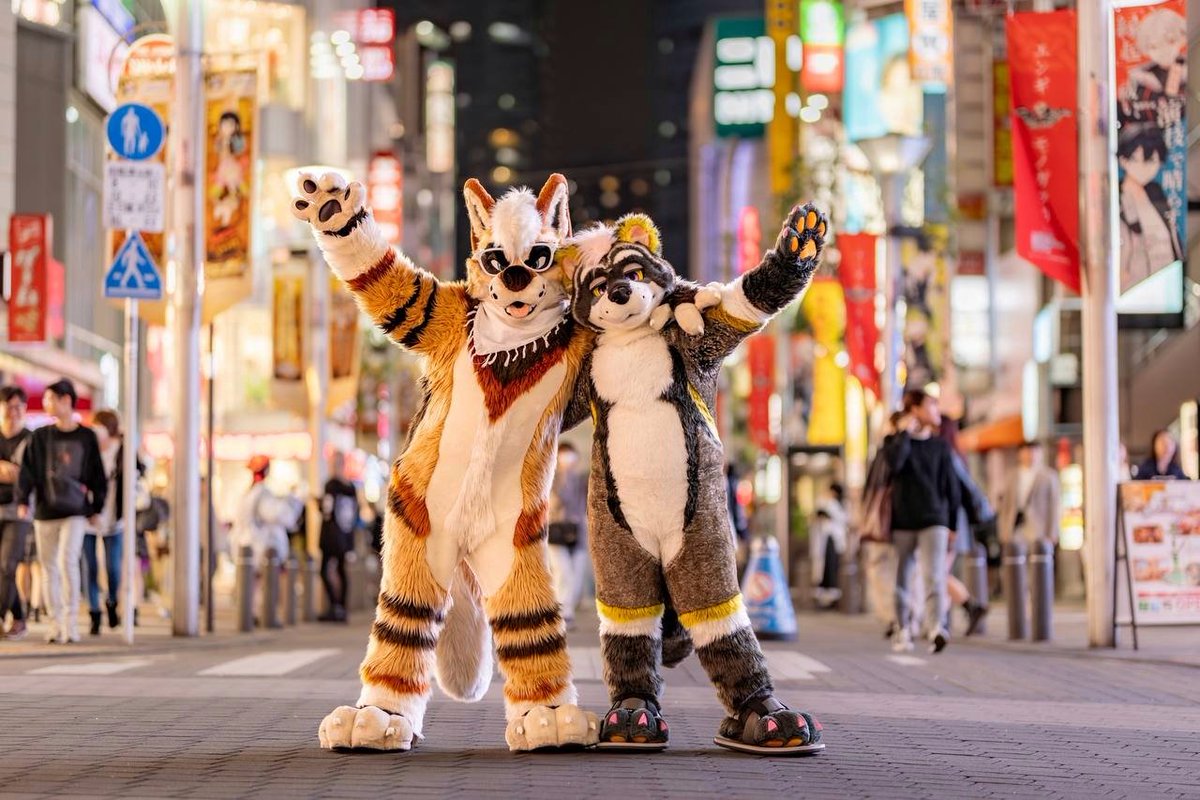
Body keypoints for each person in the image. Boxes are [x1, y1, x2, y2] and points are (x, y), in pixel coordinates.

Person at [16, 379, 108, 643]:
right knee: (48, 568)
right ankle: (54, 623)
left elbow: (96, 474)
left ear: (66, 400)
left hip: (76, 511)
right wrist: (24, 500)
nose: (46, 404)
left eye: (50, 398)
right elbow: (28, 472)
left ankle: (71, 623)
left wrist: (96, 507)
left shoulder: (86, 436)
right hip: (45, 511)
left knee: (68, 561)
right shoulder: (41, 436)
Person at [884, 389, 960, 654]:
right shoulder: (895, 442)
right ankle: (903, 629)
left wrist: (952, 524)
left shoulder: (940, 446)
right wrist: (905, 433)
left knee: (934, 576)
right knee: (903, 578)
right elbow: (894, 464)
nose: (937, 412)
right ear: (915, 409)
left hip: (934, 519)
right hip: (903, 520)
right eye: (931, 406)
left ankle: (936, 628)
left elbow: (951, 487)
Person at [81, 409, 141, 635]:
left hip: (114, 518)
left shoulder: (123, 451)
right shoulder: (87, 450)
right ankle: (94, 613)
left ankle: (112, 602)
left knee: (113, 567)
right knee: (90, 567)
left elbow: (136, 474)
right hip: (87, 516)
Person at [231, 456, 300, 623]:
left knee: (253, 585)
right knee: (264, 585)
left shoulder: (248, 494)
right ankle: (262, 616)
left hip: (246, 545)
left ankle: (252, 614)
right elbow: (278, 515)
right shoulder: (262, 493)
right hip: (261, 547)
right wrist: (294, 501)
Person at [1, 386, 33, 640]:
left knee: (8, 565)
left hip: (18, 511)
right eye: (10, 406)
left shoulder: (31, 439)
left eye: (20, 407)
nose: (15, 412)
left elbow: (32, 475)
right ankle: (20, 617)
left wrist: (15, 471)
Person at [547, 442, 588, 630]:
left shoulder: (581, 480)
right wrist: (564, 474)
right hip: (556, 532)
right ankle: (562, 614)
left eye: (570, 455)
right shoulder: (552, 479)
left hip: (578, 534)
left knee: (576, 576)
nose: (567, 458)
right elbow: (558, 502)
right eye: (563, 455)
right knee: (563, 573)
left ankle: (566, 611)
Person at [318, 452, 358, 623]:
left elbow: (327, 510)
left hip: (331, 535)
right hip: (346, 535)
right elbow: (355, 513)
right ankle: (341, 607)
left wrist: (318, 505)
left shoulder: (331, 485)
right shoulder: (351, 487)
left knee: (325, 570)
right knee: (341, 570)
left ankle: (335, 606)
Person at [999, 441, 1061, 549]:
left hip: (1039, 528)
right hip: (1016, 526)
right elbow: (1006, 505)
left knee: (1038, 561)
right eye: (1026, 452)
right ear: (1020, 454)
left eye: (1034, 452)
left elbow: (1055, 505)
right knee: (1017, 560)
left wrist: (1053, 533)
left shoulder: (1049, 476)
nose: (1030, 455)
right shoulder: (1011, 476)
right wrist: (1003, 530)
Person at [810, 484, 847, 609]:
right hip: (831, 540)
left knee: (830, 568)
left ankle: (830, 597)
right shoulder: (834, 504)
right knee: (827, 568)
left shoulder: (834, 505)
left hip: (832, 540)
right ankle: (827, 596)